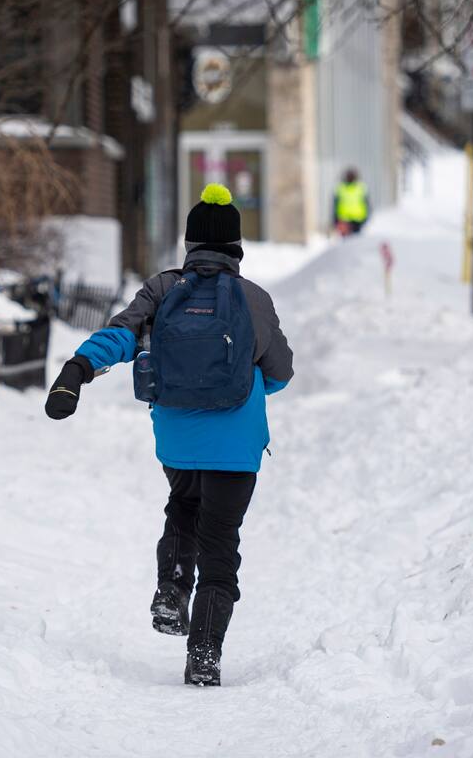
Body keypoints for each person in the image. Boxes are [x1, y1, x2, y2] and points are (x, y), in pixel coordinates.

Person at [44, 183, 294, 687]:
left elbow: (120, 335)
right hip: (237, 445)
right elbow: (280, 373)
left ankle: (171, 591)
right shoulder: (253, 298)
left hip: (177, 437)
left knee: (183, 505)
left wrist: (78, 368)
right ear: (235, 247)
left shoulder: (163, 289)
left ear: (190, 243)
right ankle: (204, 652)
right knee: (220, 541)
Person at [333, 167, 369, 237]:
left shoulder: (361, 188)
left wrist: (365, 218)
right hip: (344, 220)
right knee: (346, 242)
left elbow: (366, 204)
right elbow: (335, 205)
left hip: (358, 220)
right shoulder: (340, 188)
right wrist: (335, 219)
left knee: (356, 241)